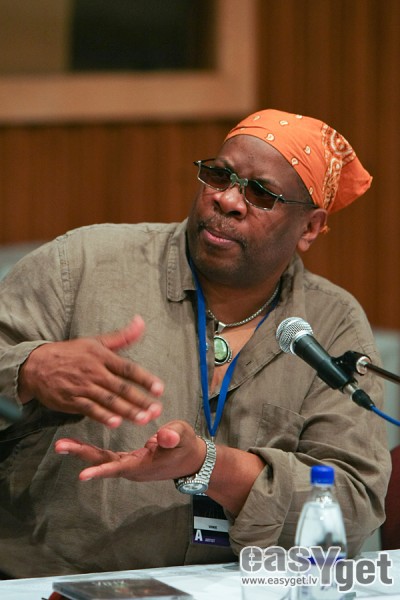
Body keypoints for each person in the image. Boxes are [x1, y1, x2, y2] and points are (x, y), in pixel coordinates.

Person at [0, 109, 391, 579]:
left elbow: (351, 506)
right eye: (219, 176)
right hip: (55, 581)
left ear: (309, 228)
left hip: (239, 588)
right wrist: (29, 369)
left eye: (260, 194)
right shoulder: (82, 265)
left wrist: (210, 466)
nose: (227, 200)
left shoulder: (332, 323)